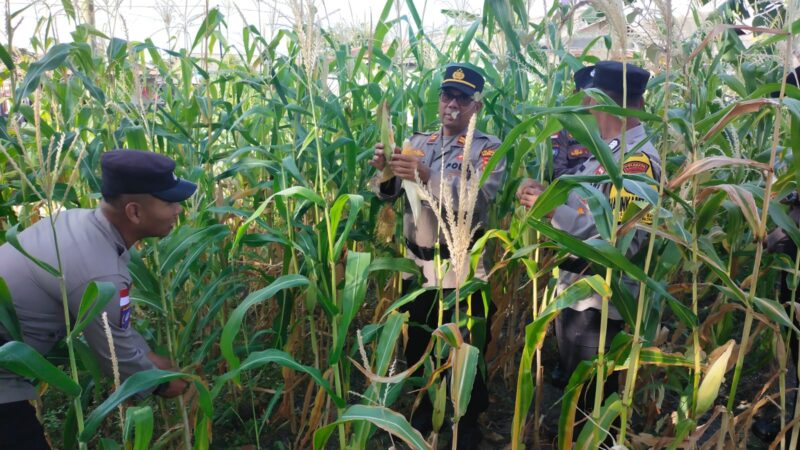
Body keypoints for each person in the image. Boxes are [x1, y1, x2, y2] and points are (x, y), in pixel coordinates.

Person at [0, 150, 197, 450]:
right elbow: (115, 356)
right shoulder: (100, 273)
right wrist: (164, 383)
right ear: (134, 212)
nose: (178, 210)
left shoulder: (78, 222)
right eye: (169, 202)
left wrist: (148, 356)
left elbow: (117, 326)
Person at [369, 63, 506, 448]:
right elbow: (387, 193)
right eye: (447, 96)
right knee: (418, 346)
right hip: (418, 270)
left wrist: (428, 175)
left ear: (476, 106)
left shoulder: (487, 149)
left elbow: (477, 200)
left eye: (462, 98)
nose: (452, 105)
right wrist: (386, 171)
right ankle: (424, 416)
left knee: (465, 352)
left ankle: (467, 426)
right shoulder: (418, 142)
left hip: (461, 272)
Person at [516, 61, 660, 403]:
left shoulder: (636, 161)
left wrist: (552, 211)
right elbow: (583, 206)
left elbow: (620, 239)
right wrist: (544, 193)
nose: (587, 108)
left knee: (589, 404)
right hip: (577, 294)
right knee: (577, 399)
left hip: (600, 303)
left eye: (593, 101)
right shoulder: (604, 154)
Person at [550, 65, 594, 180]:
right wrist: (593, 170)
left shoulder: (612, 125)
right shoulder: (562, 128)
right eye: (590, 92)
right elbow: (557, 174)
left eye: (600, 92)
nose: (596, 98)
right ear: (576, 93)